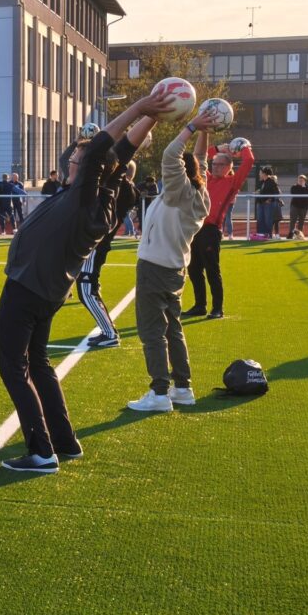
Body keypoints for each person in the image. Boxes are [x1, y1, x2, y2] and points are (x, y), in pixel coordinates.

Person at [0, 89, 173, 473]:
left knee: (13, 366)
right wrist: (152, 117)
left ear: (89, 169)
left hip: (27, 289)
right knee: (38, 362)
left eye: (77, 158)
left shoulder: (84, 197)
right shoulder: (103, 193)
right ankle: (64, 441)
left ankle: (41, 451)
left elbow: (102, 152)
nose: (73, 161)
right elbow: (119, 153)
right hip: (45, 290)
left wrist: (140, 106)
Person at [127, 110, 215, 413]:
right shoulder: (198, 191)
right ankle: (182, 388)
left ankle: (160, 393)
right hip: (175, 269)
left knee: (153, 332)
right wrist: (206, 130)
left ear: (180, 173)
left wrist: (191, 126)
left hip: (155, 268)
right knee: (172, 329)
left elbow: (170, 154)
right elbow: (198, 160)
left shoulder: (179, 192)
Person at [182, 137, 255, 320]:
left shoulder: (232, 182)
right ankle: (200, 306)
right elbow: (200, 159)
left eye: (221, 164)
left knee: (212, 269)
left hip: (211, 231)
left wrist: (243, 147)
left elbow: (249, 161)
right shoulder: (205, 177)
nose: (216, 167)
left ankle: (217, 308)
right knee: (193, 269)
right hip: (195, 228)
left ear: (229, 167)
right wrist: (218, 148)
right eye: (215, 164)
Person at [78, 159, 140, 348]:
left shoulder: (125, 190)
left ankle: (109, 333)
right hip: (99, 244)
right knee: (89, 285)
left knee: (86, 290)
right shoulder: (127, 189)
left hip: (97, 244)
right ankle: (107, 330)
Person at [255, 166, 279, 237]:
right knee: (260, 219)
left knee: (268, 220)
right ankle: (260, 234)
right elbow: (261, 191)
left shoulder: (271, 182)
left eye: (260, 172)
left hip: (268, 205)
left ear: (264, 173)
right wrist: (257, 192)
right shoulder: (261, 182)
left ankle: (268, 234)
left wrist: (270, 199)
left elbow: (276, 193)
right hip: (260, 203)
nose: (259, 174)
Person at [287, 174, 308, 239]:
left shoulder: (307, 187)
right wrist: (302, 189)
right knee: (293, 220)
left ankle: (299, 235)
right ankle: (291, 234)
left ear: (305, 181)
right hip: (295, 206)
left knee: (301, 221)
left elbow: (306, 195)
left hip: (304, 207)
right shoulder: (294, 187)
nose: (300, 181)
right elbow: (295, 194)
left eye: (302, 180)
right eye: (299, 180)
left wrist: (303, 187)